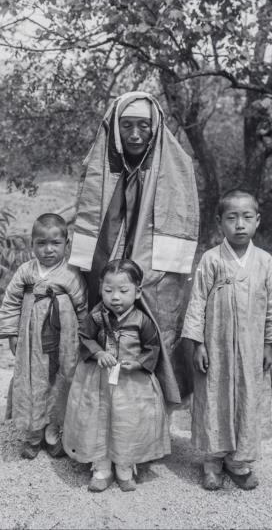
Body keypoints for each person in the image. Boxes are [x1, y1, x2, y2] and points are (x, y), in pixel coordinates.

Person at [69, 91, 198, 400]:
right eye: (127, 126)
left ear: (155, 126)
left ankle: (154, 415)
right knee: (100, 326)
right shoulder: (101, 163)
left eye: (143, 125)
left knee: (153, 334)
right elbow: (85, 207)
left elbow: (183, 214)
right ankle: (93, 411)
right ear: (115, 128)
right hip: (107, 262)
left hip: (154, 267)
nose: (135, 134)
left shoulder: (176, 164)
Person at [181, 189, 272, 491]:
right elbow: (197, 301)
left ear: (257, 221)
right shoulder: (211, 259)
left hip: (252, 348)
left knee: (247, 398)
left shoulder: (265, 262)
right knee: (214, 397)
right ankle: (212, 461)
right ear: (220, 223)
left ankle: (238, 461)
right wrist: (198, 343)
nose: (240, 224)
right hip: (216, 347)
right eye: (232, 218)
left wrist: (270, 344)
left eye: (247, 217)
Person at [63, 259, 171, 492]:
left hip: (131, 384)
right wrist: (98, 352)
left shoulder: (142, 320)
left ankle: (125, 464)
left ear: (138, 291)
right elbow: (84, 337)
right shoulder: (96, 317)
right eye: (108, 290)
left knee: (127, 422)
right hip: (98, 380)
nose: (115, 297)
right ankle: (101, 466)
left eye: (123, 291)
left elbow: (153, 347)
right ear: (101, 287)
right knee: (98, 419)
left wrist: (139, 363)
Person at [0, 213, 87, 458]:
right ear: (32, 244)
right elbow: (10, 302)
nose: (48, 250)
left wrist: (82, 337)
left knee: (59, 379)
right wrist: (11, 333)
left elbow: (81, 306)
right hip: (32, 339)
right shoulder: (26, 271)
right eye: (41, 243)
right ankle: (33, 434)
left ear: (66, 244)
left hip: (64, 339)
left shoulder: (71, 273)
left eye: (55, 243)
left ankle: (53, 431)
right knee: (33, 379)